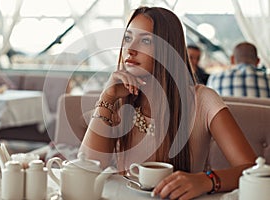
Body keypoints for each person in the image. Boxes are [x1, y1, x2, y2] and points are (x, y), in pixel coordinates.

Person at [79, 7, 256, 199]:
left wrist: (205, 180)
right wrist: (107, 97)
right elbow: (86, 171)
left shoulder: (203, 99)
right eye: (128, 38)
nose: (130, 49)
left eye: (145, 40)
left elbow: (252, 170)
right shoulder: (118, 98)